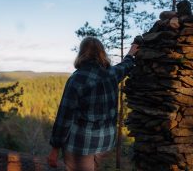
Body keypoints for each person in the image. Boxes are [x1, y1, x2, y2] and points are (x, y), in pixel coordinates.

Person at [47, 37, 139, 171]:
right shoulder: (111, 74)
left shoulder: (77, 79)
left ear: (81, 54)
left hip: (81, 146)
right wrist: (131, 53)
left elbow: (65, 117)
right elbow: (125, 65)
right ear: (102, 53)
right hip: (105, 143)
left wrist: (55, 148)